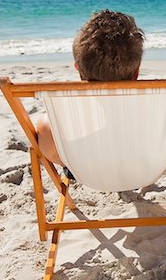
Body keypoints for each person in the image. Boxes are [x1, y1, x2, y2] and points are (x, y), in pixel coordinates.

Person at [36, 9, 144, 176]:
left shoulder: (62, 120)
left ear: (78, 69)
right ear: (136, 71)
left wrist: (67, 161)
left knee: (45, 130)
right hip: (147, 169)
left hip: (86, 171)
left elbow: (50, 152)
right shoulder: (161, 112)